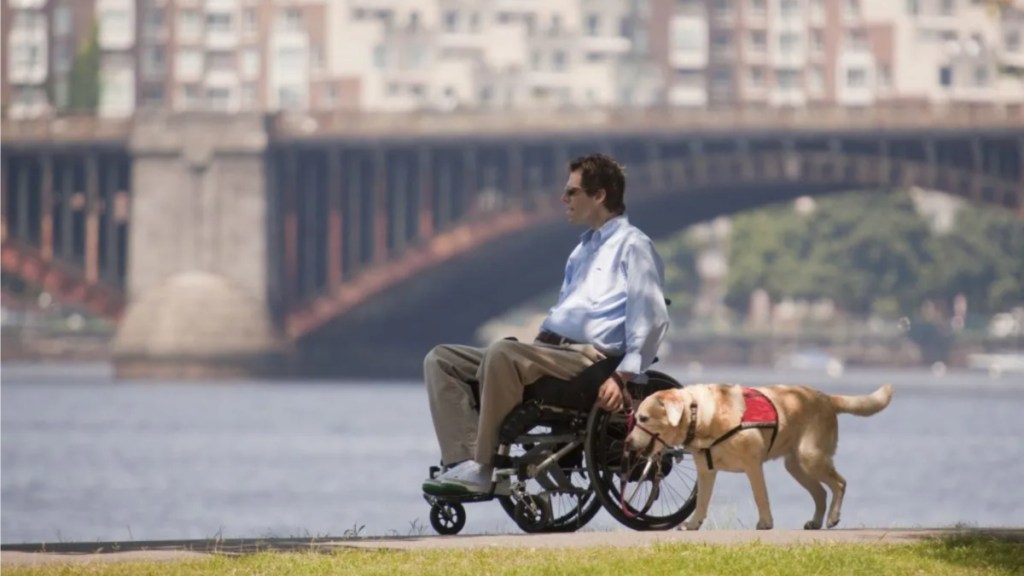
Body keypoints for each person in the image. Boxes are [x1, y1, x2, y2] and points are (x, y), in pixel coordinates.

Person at [422, 153, 670, 495]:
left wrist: (623, 375)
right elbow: (564, 310)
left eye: (572, 192)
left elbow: (652, 316)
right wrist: (538, 344)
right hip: (550, 353)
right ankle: (462, 462)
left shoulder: (634, 246)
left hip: (590, 362)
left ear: (599, 196)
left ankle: (486, 468)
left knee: (502, 352)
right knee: (441, 360)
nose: (563, 199)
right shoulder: (581, 252)